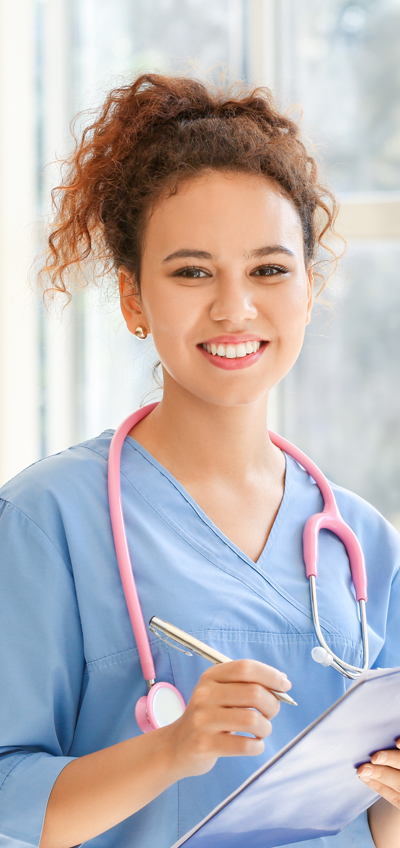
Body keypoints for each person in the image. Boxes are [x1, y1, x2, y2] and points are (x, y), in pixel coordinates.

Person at [0, 74, 399, 848]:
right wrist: (172, 751)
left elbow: (381, 822)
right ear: (132, 298)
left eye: (269, 270)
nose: (234, 308)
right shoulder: (47, 521)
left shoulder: (365, 544)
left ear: (308, 292)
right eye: (190, 271)